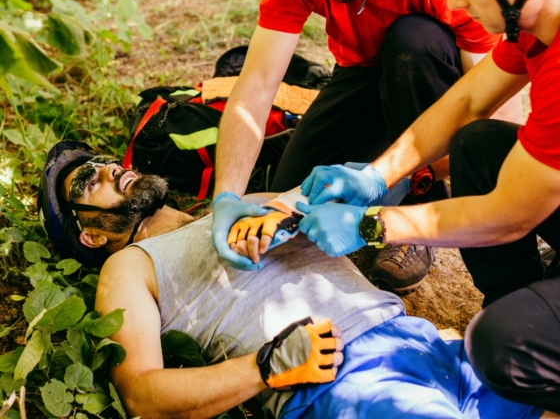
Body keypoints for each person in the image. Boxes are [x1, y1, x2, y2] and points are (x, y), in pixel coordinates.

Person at [282, 0, 560, 412]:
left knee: (499, 347)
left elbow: (511, 212)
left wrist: (374, 222)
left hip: (525, 206)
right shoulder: (538, 25)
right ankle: (524, 301)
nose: (455, 4)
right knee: (477, 144)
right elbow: (466, 99)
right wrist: (376, 176)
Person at [37, 140, 554, 419]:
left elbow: (354, 211)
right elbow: (145, 398)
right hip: (343, 384)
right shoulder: (128, 267)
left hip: (425, 344)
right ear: (87, 235)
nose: (106, 169)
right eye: (87, 180)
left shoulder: (245, 204)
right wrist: (265, 367)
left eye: (103, 161)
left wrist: (329, 205)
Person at [210, 0, 521, 293]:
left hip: (430, 75)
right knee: (286, 200)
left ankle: (418, 212)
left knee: (414, 41)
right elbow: (257, 84)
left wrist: (394, 191)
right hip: (361, 72)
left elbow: (487, 119)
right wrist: (226, 196)